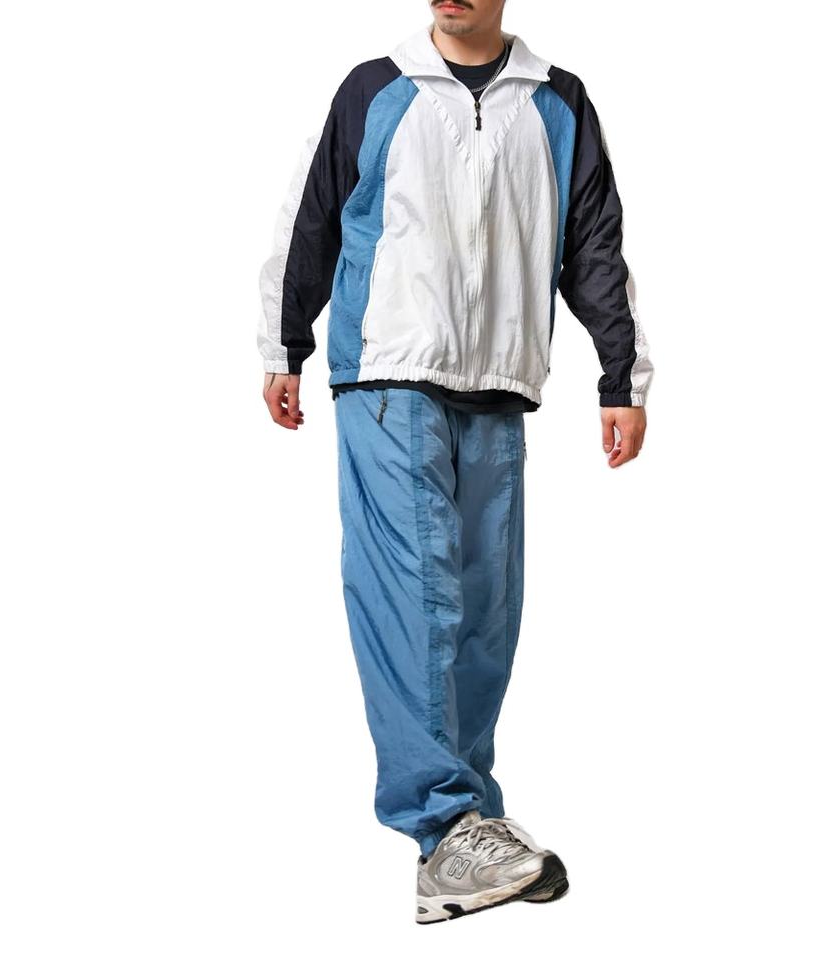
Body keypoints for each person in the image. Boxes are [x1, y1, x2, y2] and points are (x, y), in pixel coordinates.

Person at [258, 0, 654, 924]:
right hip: (389, 373)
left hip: (500, 382)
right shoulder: (377, 88)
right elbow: (313, 219)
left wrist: (621, 376)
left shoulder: (557, 101)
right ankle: (441, 823)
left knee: (483, 613)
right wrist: (284, 345)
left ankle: (466, 825)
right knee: (416, 599)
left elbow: (593, 243)